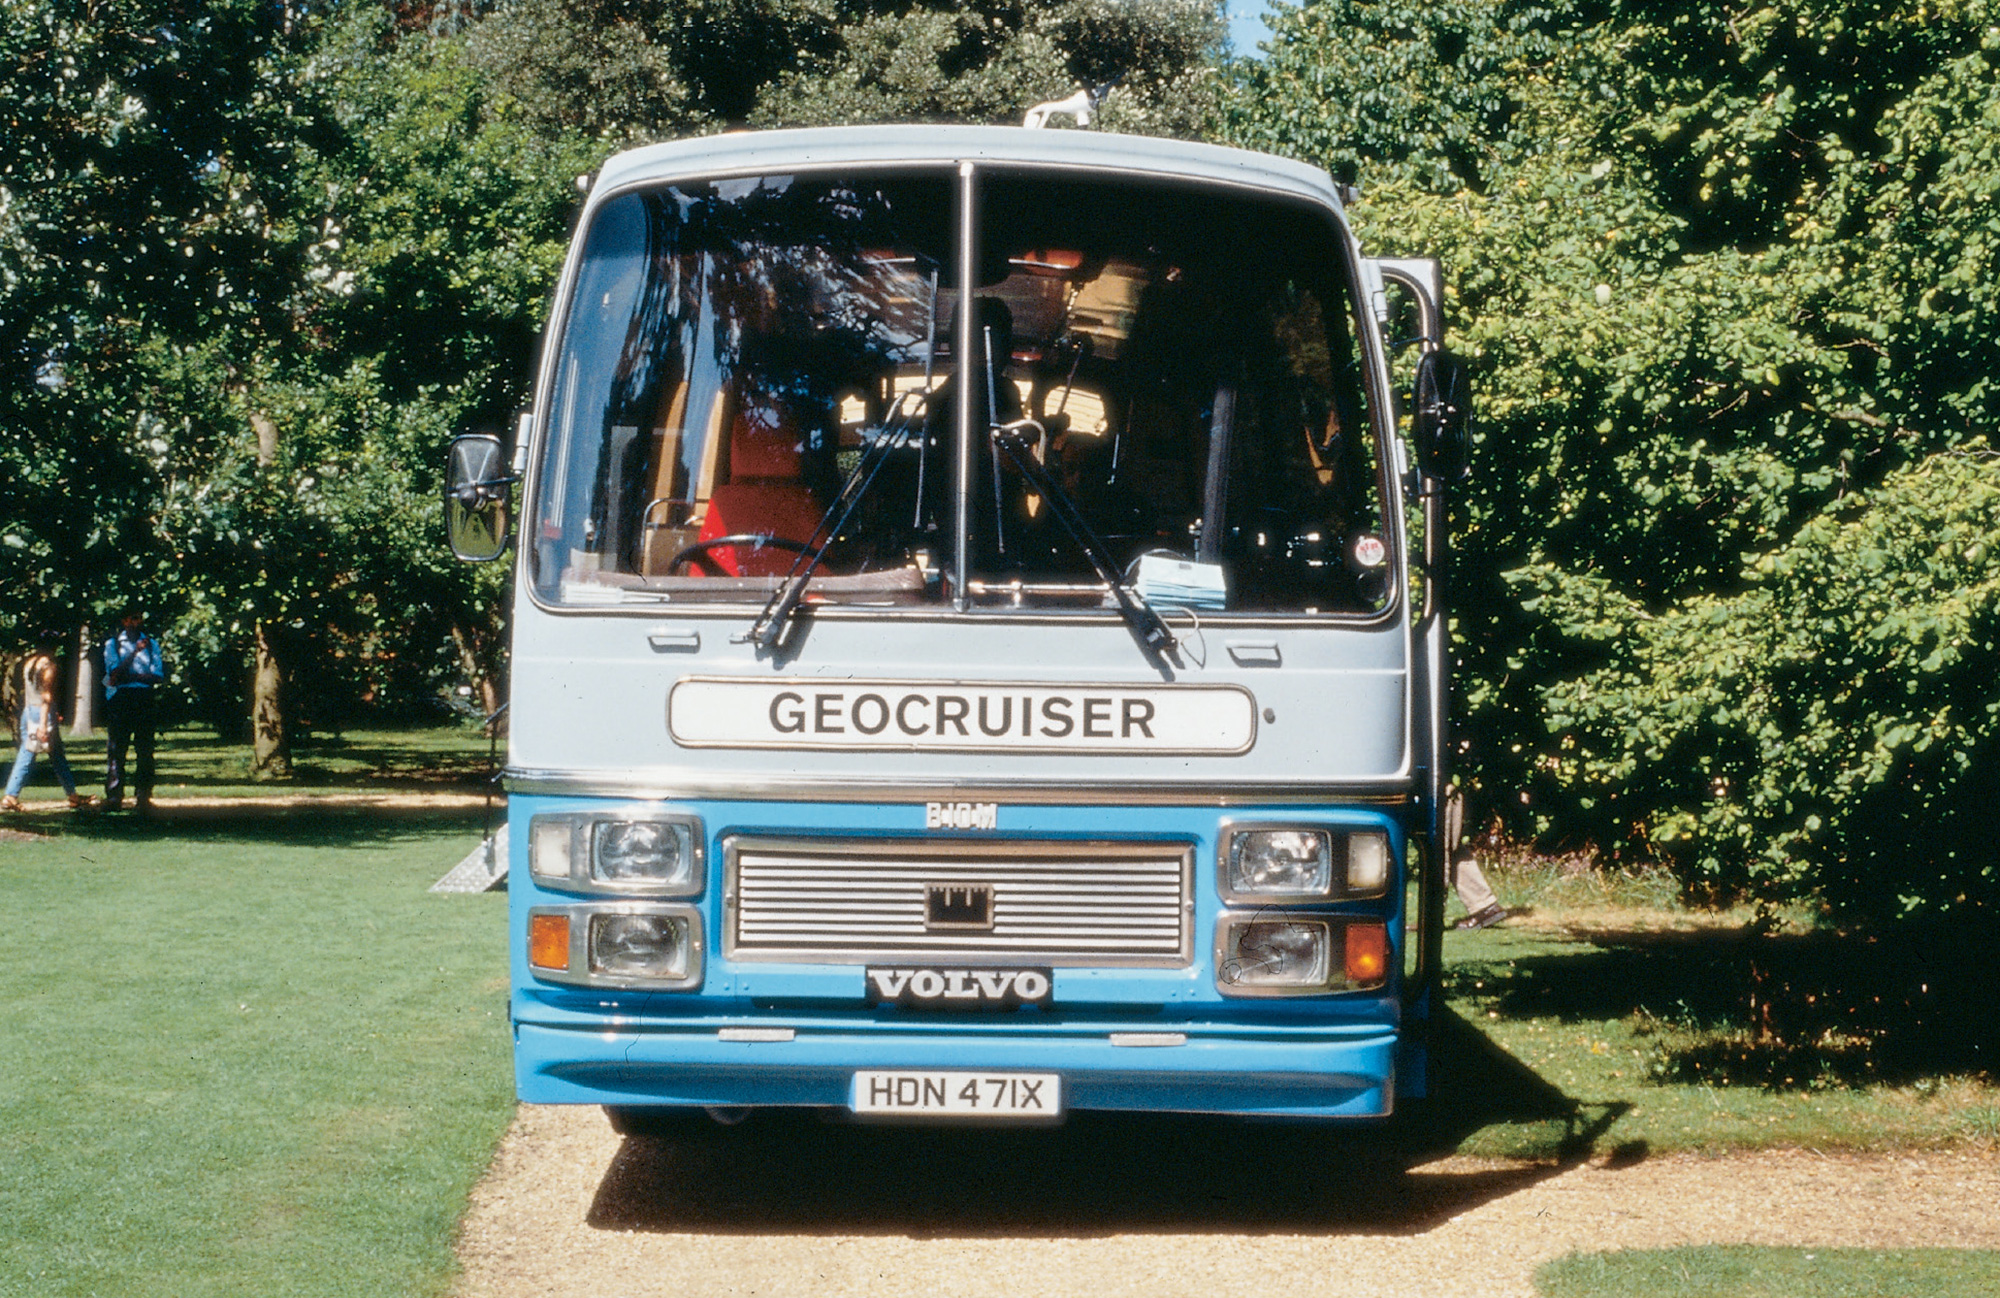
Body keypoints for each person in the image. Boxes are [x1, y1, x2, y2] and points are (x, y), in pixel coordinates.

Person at [3, 631, 94, 812]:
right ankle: (10, 796)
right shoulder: (48, 667)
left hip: (28, 711)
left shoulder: (29, 664)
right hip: (40, 713)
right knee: (27, 754)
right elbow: (45, 696)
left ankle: (72, 795)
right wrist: (44, 724)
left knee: (57, 755)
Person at [103, 609, 166, 812]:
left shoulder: (152, 644)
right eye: (131, 618)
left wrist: (132, 677)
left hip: (144, 699)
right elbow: (115, 674)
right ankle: (114, 797)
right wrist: (134, 654)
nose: (135, 622)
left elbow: (157, 676)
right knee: (117, 750)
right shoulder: (113, 645)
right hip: (121, 700)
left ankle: (143, 796)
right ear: (124, 620)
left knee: (145, 750)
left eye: (138, 618)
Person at [1444, 782, 1507, 930]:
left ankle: (1430, 917)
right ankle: (1485, 906)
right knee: (1448, 848)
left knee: (1439, 848)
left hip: (1441, 786)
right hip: (1432, 783)